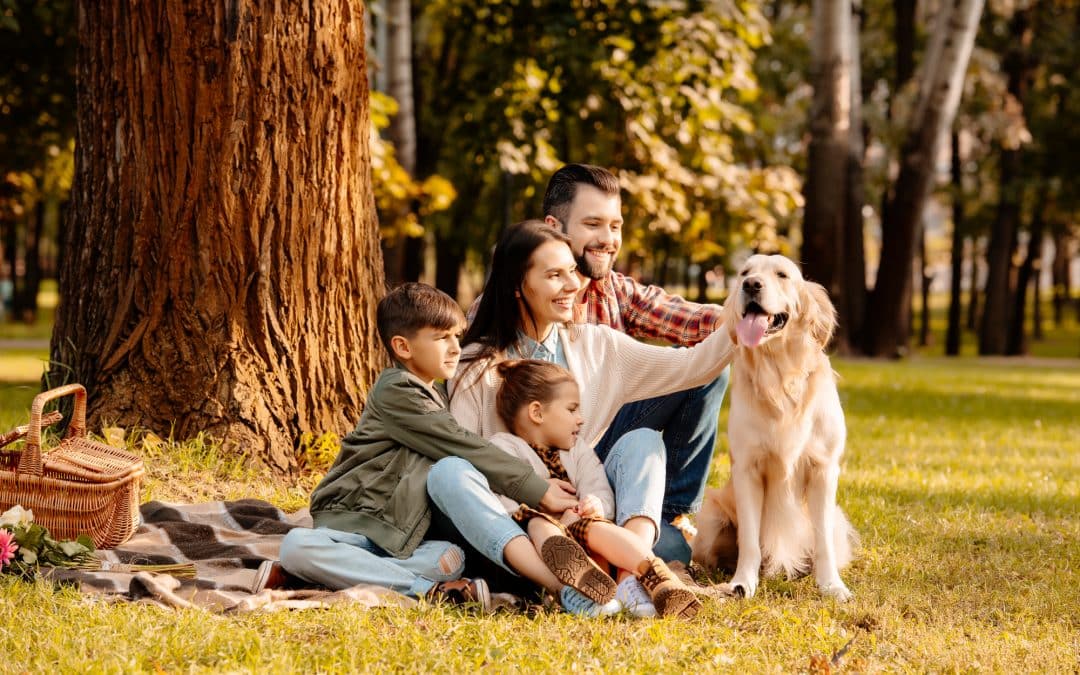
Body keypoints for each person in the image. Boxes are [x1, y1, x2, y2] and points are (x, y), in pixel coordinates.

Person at [429, 220, 733, 605]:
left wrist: (742, 320)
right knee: (449, 473)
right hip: (516, 524)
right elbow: (469, 460)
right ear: (517, 287)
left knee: (643, 441)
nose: (573, 284)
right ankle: (566, 583)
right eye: (554, 275)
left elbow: (692, 367)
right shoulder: (475, 366)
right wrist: (536, 494)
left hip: (584, 506)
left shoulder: (595, 344)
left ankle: (629, 578)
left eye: (571, 270)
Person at [278, 283, 577, 610]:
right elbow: (463, 443)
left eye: (456, 337)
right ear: (403, 347)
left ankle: (356, 576)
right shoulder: (397, 390)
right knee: (297, 546)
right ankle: (428, 590)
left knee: (449, 558)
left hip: (404, 540)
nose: (454, 348)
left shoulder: (438, 395)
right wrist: (536, 489)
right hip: (356, 527)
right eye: (441, 338)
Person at [541, 163, 732, 563]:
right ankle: (630, 543)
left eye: (615, 226)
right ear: (555, 228)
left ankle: (669, 515)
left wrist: (743, 318)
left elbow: (683, 316)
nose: (608, 239)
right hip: (549, 465)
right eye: (593, 224)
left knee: (708, 368)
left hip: (608, 443)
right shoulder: (516, 297)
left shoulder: (612, 288)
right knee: (665, 553)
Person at [489, 358, 702, 618]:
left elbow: (598, 486)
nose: (580, 420)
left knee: (597, 528)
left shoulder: (578, 451)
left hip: (580, 527)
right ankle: (597, 592)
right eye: (572, 410)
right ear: (537, 413)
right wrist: (550, 513)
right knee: (546, 529)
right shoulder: (503, 447)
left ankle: (653, 577)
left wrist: (595, 503)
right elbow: (502, 497)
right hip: (539, 537)